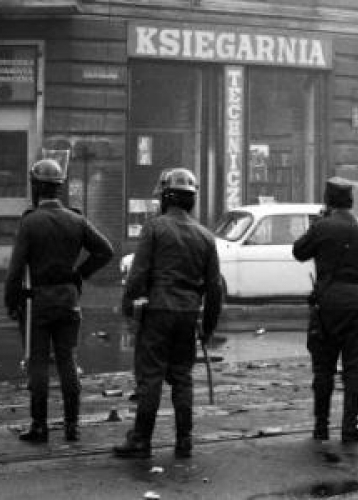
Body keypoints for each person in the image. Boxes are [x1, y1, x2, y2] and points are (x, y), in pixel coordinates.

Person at [113, 168, 222, 459]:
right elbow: (215, 288)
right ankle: (184, 441)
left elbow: (138, 275)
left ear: (165, 197)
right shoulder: (206, 237)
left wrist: (127, 307)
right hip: (188, 314)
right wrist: (208, 327)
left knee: (150, 378)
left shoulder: (154, 228)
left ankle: (141, 440)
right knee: (182, 377)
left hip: (157, 311)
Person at [4, 158, 114, 443]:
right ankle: (72, 426)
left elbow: (15, 270)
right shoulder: (76, 220)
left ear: (36, 187)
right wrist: (79, 274)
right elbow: (105, 251)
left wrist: (11, 301)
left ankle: (39, 426)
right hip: (68, 300)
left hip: (38, 302)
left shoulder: (30, 222)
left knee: (38, 363)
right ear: (59, 188)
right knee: (67, 360)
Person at [293, 177, 358, 443]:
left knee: (323, 368)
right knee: (355, 367)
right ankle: (350, 426)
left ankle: (321, 427)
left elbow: (299, 252)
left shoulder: (322, 227)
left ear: (328, 201)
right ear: (351, 201)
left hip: (327, 304)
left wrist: (318, 225)